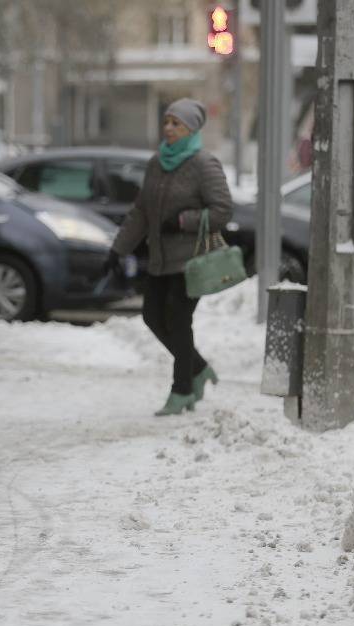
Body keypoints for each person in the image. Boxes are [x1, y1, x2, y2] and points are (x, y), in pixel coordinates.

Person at [102, 98, 233, 416]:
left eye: (177, 124)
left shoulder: (204, 164)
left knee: (177, 318)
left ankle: (182, 390)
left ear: (192, 128)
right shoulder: (156, 163)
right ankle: (198, 367)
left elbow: (222, 210)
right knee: (151, 316)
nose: (169, 129)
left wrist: (182, 221)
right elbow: (141, 212)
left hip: (191, 261)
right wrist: (118, 249)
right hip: (160, 258)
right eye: (167, 122)